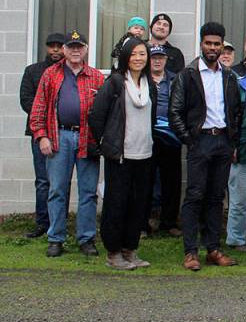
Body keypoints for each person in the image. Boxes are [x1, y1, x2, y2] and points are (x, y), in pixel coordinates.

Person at [170, 21, 243, 271]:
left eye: (217, 44)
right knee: (194, 196)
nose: (212, 48)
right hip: (199, 141)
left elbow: (236, 112)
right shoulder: (188, 75)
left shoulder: (229, 76)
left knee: (215, 197)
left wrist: (231, 141)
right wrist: (190, 140)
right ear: (201, 44)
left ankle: (213, 249)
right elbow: (175, 112)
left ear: (223, 46)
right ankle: (191, 252)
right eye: (208, 43)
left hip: (223, 141)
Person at [29, 30, 105, 258]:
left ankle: (86, 239)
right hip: (58, 137)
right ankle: (56, 238)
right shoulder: (51, 74)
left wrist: (102, 140)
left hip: (87, 139)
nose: (74, 50)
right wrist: (42, 136)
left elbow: (106, 111)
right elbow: (39, 107)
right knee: (57, 191)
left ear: (86, 50)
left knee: (89, 192)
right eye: (70, 47)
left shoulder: (96, 77)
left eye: (79, 47)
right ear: (64, 50)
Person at [89, 37, 157, 270]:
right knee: (116, 204)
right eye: (134, 54)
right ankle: (114, 253)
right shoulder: (115, 83)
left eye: (142, 54)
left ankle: (130, 249)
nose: (138, 58)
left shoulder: (150, 85)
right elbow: (97, 116)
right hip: (120, 156)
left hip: (144, 154)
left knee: (137, 206)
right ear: (126, 56)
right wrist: (107, 142)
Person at [20, 32, 64, 239]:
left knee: (60, 181)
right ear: (46, 48)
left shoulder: (69, 72)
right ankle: (42, 223)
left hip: (63, 131)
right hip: (39, 133)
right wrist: (46, 118)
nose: (55, 50)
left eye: (59, 46)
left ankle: (59, 222)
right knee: (42, 180)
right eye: (51, 46)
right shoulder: (33, 71)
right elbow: (26, 100)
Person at [148, 45, 182, 236]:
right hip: (147, 136)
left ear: (166, 60)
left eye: (161, 57)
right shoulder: (142, 78)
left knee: (172, 180)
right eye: (154, 58)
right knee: (146, 179)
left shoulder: (175, 79)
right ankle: (144, 223)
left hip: (170, 136)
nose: (157, 61)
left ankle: (169, 223)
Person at [225, 42, 246, 254]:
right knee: (240, 198)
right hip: (242, 146)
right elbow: (233, 115)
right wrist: (233, 144)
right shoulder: (239, 85)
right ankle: (235, 238)